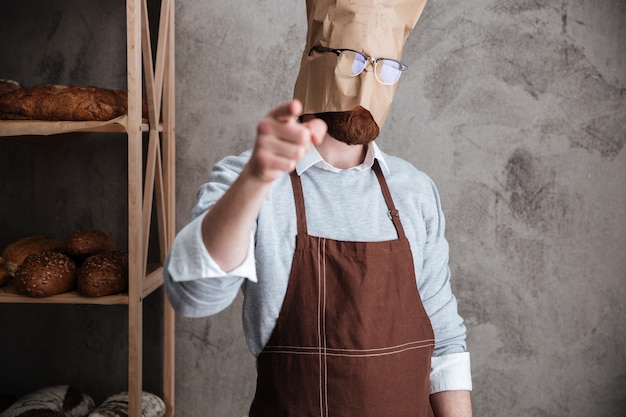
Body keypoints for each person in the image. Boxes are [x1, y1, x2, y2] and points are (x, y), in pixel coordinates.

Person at [165, 0, 473, 415]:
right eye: (353, 60)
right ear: (314, 58)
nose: (367, 82)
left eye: (385, 67)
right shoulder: (249, 177)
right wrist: (256, 179)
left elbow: (446, 342)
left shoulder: (414, 190)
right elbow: (192, 297)